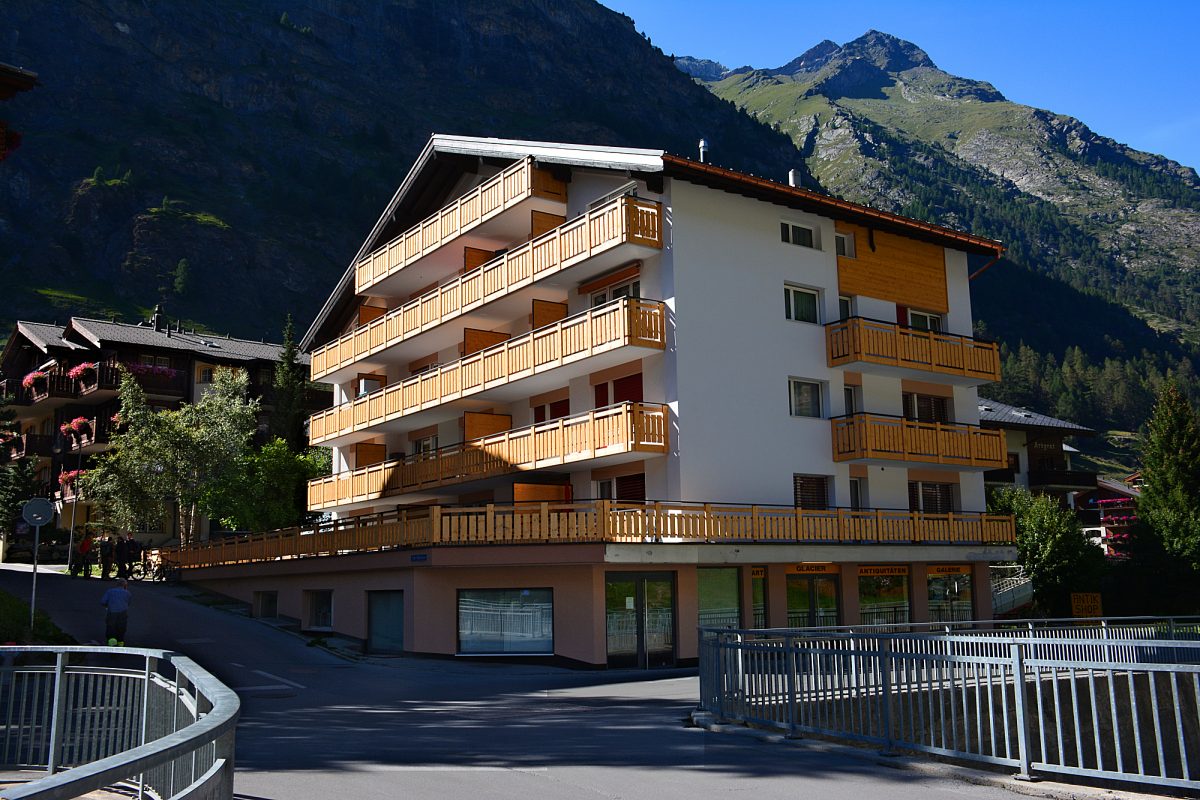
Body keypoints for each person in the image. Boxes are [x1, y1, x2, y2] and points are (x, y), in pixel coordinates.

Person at [101, 579, 132, 647]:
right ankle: (120, 643)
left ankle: (112, 644)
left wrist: (107, 606)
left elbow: (103, 601)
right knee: (121, 629)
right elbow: (128, 603)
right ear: (125, 585)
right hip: (123, 614)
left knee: (111, 628)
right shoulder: (128, 593)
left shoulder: (110, 591)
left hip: (112, 612)